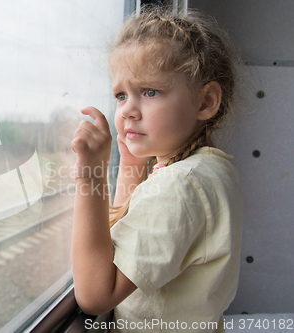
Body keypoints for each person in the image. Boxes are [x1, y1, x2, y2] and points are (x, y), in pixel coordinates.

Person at [70, 6, 243, 332]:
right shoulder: (208, 168)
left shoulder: (179, 186)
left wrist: (90, 174)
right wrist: (131, 167)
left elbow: (95, 295)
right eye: (121, 95)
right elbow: (124, 231)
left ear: (205, 102)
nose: (128, 111)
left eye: (150, 92)